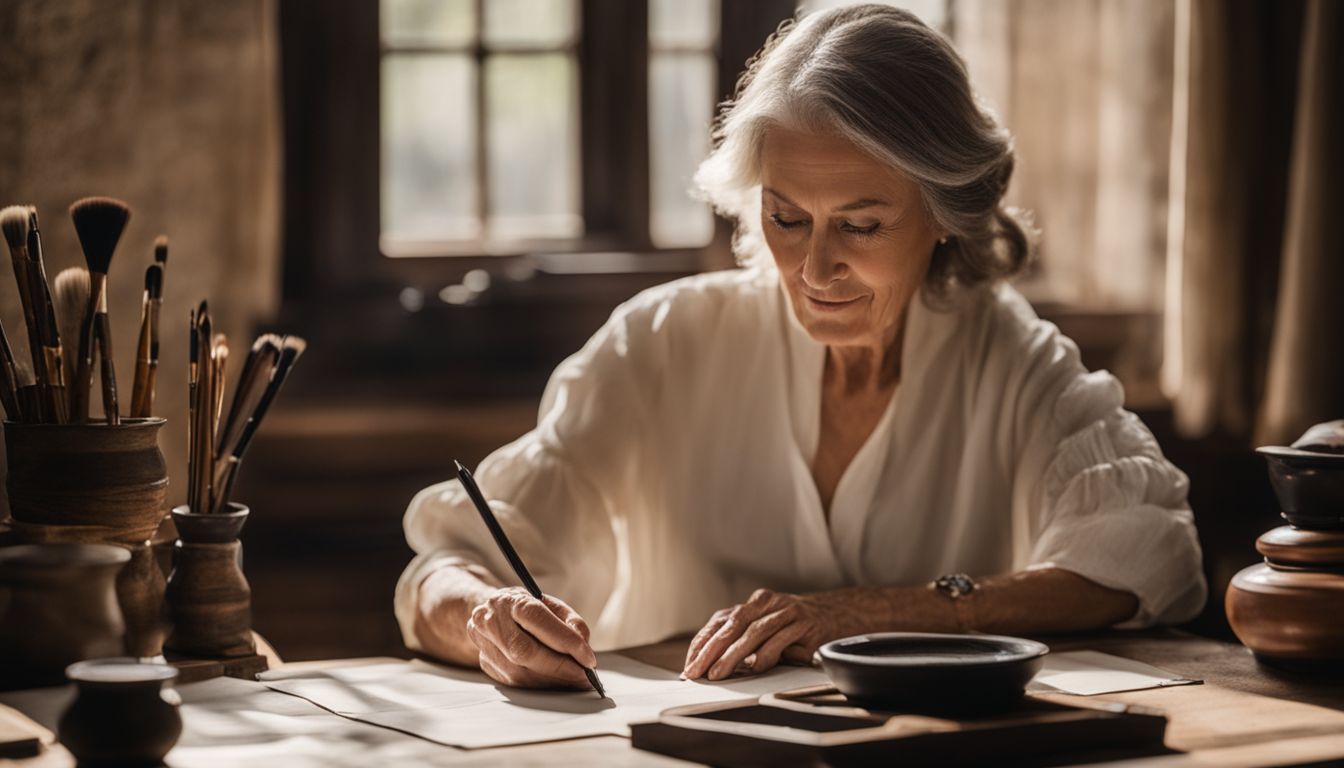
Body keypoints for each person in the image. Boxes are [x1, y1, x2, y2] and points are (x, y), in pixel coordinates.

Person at [394, 3, 1206, 689]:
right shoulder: (663, 343)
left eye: (860, 224)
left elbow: (1148, 556)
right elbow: (443, 571)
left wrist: (873, 613)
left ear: (945, 214)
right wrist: (489, 619)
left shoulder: (1013, 361)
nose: (815, 268)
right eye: (787, 218)